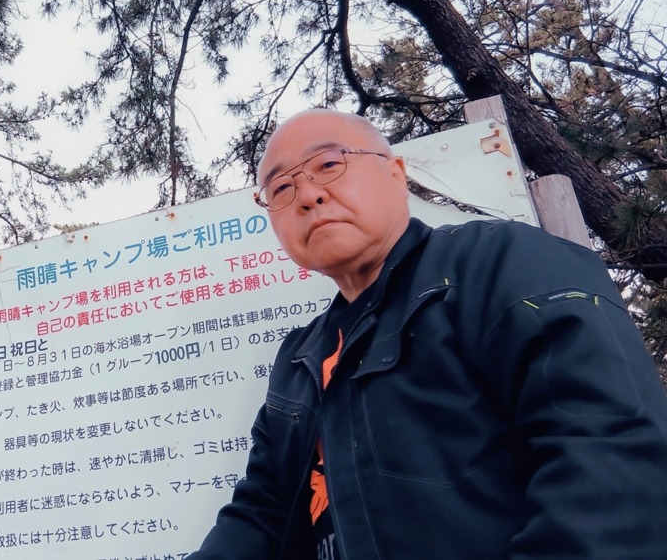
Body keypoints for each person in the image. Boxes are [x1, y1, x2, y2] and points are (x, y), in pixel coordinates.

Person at [190, 108, 667, 559]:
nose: (308, 195)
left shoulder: (499, 262)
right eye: (281, 189)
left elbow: (609, 448)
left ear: (396, 173)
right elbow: (261, 513)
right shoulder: (300, 359)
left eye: (329, 164)